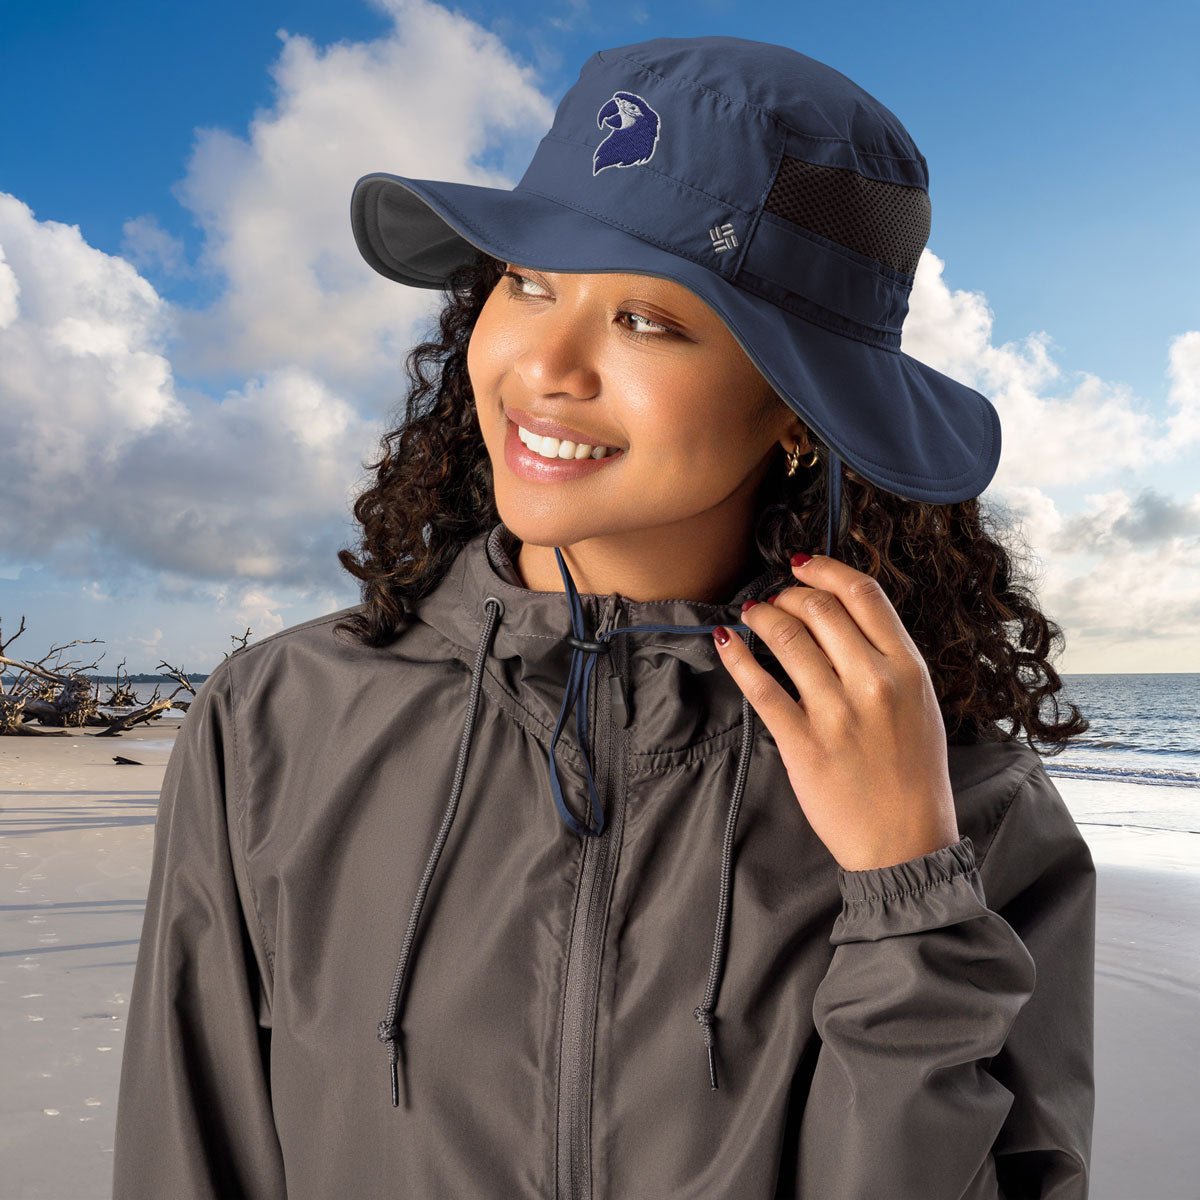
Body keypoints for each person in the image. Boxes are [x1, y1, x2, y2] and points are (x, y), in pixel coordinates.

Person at [111, 34, 1096, 1199]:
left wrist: (906, 893)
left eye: (649, 321)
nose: (548, 365)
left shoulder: (971, 808)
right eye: (529, 283)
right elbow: (187, 1153)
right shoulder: (276, 719)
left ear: (800, 409)